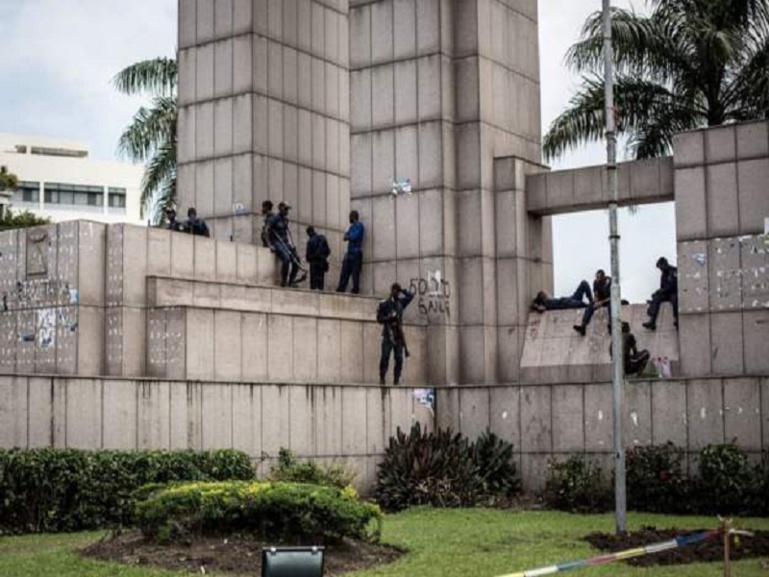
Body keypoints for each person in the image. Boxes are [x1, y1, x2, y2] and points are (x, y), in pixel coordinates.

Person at [377, 283, 414, 386]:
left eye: (398, 291)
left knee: (399, 359)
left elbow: (411, 296)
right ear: (391, 290)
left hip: (398, 336)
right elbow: (379, 319)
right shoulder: (384, 304)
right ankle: (382, 377)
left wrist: (402, 290)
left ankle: (396, 380)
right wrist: (389, 318)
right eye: (395, 291)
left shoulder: (401, 303)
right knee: (385, 357)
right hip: (388, 335)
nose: (397, 293)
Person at [266, 201, 305, 287]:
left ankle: (291, 281)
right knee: (286, 259)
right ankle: (284, 282)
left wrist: (292, 246)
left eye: (288, 209)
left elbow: (287, 234)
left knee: (297, 259)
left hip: (286, 243)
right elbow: (266, 230)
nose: (287, 211)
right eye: (285, 209)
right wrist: (270, 244)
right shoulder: (274, 219)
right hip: (277, 243)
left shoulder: (286, 220)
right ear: (280, 208)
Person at [643, 257, 678, 331]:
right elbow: (662, 286)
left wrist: (662, 290)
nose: (660, 269)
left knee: (675, 299)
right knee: (656, 297)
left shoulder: (674, 271)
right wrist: (658, 292)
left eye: (661, 267)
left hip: (674, 292)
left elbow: (674, 285)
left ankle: (676, 319)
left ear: (665, 264)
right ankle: (652, 321)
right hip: (666, 293)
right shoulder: (663, 274)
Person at [573, 269, 611, 336]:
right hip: (600, 301)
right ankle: (583, 326)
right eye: (597, 278)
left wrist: (601, 302)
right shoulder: (596, 282)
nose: (598, 280)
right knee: (590, 306)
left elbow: (613, 297)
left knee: (611, 306)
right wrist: (596, 302)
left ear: (603, 277)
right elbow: (596, 295)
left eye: (599, 278)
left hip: (609, 300)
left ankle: (611, 324)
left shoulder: (609, 282)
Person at [336, 210, 365, 294]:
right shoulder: (351, 227)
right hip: (350, 252)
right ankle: (341, 288)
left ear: (353, 217)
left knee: (355, 273)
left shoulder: (359, 226)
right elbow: (345, 237)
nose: (349, 218)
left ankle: (355, 289)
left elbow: (354, 237)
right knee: (344, 271)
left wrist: (349, 236)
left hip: (356, 253)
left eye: (350, 217)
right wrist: (348, 236)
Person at [305, 226, 330, 291]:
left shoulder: (310, 241)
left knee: (313, 284)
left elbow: (308, 257)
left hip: (314, 263)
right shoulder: (322, 238)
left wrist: (313, 257)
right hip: (322, 262)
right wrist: (323, 257)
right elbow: (328, 251)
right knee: (321, 281)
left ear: (309, 233)